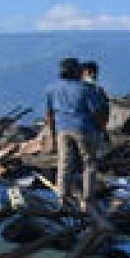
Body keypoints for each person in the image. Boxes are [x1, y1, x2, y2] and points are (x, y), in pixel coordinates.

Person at [43, 57, 109, 212]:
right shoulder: (86, 89)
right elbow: (96, 112)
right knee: (89, 163)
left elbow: (49, 114)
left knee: (64, 163)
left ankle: (62, 198)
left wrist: (52, 134)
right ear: (76, 71)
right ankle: (87, 200)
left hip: (62, 129)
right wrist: (102, 129)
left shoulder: (52, 89)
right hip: (84, 129)